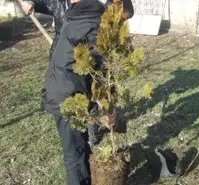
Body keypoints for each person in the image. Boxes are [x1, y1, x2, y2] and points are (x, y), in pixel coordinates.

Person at [33, 0, 133, 184]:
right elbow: (100, 73)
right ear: (115, 11)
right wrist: (108, 108)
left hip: (66, 88)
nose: (122, 24)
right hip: (66, 96)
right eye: (123, 18)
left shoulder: (80, 16)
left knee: (81, 145)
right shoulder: (95, 26)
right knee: (74, 156)